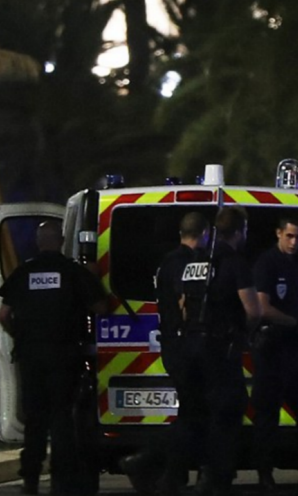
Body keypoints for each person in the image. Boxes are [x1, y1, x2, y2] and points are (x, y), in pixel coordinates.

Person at [0, 220, 108, 495]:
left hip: (31, 356)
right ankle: (62, 480)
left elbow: (2, 314)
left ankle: (31, 479)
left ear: (38, 242)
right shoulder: (73, 272)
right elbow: (101, 308)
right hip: (64, 354)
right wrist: (93, 280)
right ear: (60, 241)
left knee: (35, 418)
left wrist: (18, 337)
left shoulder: (24, 272)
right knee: (61, 417)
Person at [120, 212, 211, 494]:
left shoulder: (167, 262)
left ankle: (172, 475)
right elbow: (186, 302)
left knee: (191, 414)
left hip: (173, 344)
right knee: (195, 416)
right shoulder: (185, 264)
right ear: (204, 234)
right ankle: (144, 459)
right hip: (185, 345)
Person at [173, 206, 260, 496]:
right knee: (228, 411)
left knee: (196, 414)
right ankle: (215, 477)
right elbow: (253, 310)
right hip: (220, 348)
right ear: (239, 232)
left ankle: (173, 470)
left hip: (192, 345)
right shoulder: (236, 263)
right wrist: (241, 331)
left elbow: (183, 306)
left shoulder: (195, 262)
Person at [251, 217, 298, 492]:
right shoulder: (267, 263)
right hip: (271, 349)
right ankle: (264, 475)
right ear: (279, 233)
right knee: (267, 417)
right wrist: (296, 323)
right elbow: (262, 308)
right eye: (290, 236)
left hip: (293, 351)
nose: (294, 242)